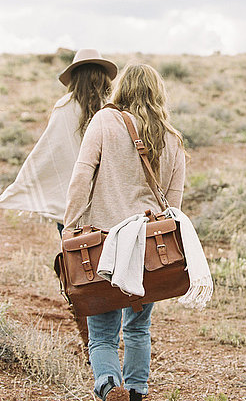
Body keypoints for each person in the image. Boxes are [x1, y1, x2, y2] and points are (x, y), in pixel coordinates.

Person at [63, 64, 186, 401]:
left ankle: (106, 384)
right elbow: (172, 205)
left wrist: (70, 227)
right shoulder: (172, 139)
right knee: (138, 328)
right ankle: (136, 391)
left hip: (102, 246)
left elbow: (81, 178)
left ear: (122, 89)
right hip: (148, 248)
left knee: (101, 333)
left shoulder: (104, 121)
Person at [0, 48, 118, 233]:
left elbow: (49, 152)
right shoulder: (114, 108)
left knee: (73, 254)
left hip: (71, 200)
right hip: (110, 201)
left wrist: (21, 186)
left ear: (75, 77)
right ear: (103, 76)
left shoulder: (64, 106)